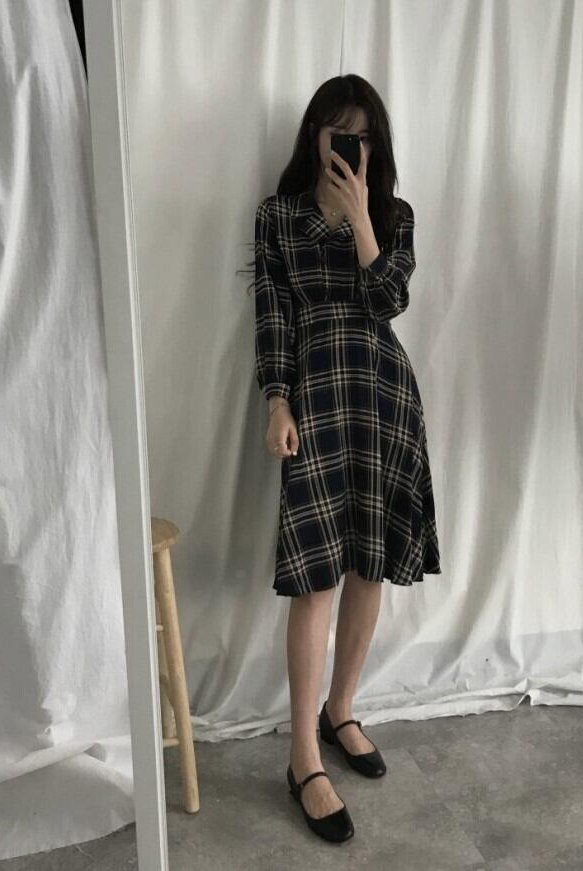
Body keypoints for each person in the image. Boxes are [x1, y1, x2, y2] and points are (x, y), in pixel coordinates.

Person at [253, 74, 442, 843]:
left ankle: (341, 709)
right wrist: (276, 400)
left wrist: (363, 218)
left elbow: (389, 300)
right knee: (316, 578)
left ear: (374, 144)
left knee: (369, 564)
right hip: (317, 400)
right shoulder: (278, 217)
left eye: (359, 136)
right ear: (313, 135)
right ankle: (302, 754)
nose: (345, 146)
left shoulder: (393, 215)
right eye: (334, 132)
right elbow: (272, 314)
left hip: (384, 399)